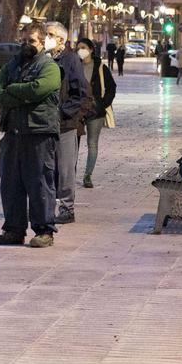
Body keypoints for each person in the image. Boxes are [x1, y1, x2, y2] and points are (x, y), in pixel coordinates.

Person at [0, 21, 61, 248]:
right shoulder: (12, 65)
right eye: (24, 40)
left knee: (39, 183)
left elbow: (39, 89)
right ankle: (13, 229)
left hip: (38, 133)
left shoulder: (49, 67)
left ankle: (44, 231)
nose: (27, 45)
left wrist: (13, 90)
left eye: (32, 41)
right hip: (13, 133)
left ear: (41, 42)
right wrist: (21, 93)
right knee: (11, 183)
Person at [46, 23, 92, 224]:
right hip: (43, 123)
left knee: (64, 168)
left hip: (64, 123)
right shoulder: (43, 60)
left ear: (61, 40)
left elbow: (82, 93)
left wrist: (63, 113)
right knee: (45, 167)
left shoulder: (70, 60)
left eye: (50, 35)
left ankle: (67, 208)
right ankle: (46, 206)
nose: (46, 38)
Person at [74, 35, 115, 191]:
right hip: (76, 110)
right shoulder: (73, 65)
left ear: (91, 49)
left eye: (83, 48)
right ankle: (71, 174)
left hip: (95, 111)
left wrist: (103, 105)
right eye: (78, 48)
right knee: (73, 144)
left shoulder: (100, 68)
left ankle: (87, 176)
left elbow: (111, 88)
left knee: (92, 143)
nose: (81, 51)